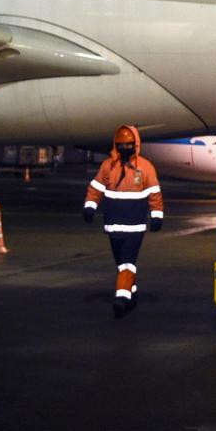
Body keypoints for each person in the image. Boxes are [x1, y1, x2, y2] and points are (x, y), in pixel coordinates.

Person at [83, 125, 164, 317]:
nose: (124, 148)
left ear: (135, 144)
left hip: (135, 225)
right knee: (121, 263)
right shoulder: (108, 166)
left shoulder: (145, 167)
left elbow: (154, 193)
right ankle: (132, 292)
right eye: (121, 145)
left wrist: (156, 215)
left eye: (128, 144)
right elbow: (96, 187)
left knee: (128, 263)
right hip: (113, 225)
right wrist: (89, 206)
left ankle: (121, 298)